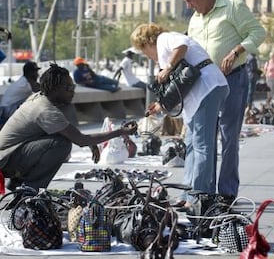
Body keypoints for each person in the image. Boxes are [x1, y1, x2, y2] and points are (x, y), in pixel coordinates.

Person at [179, 0, 265, 202]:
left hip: (232, 79)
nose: (188, 6)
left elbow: (258, 33)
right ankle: (201, 191)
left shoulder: (233, 7)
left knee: (229, 136)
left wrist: (236, 51)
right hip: (203, 85)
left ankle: (226, 192)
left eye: (190, 0)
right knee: (200, 138)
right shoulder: (195, 19)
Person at [130, 23, 229, 206]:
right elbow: (180, 84)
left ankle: (198, 197)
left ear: (146, 42)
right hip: (204, 92)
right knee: (191, 145)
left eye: (144, 52)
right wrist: (160, 105)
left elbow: (182, 45)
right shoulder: (164, 46)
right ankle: (187, 194)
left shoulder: (164, 38)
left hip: (207, 89)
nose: (148, 57)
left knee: (201, 147)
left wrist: (167, 67)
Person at [0, 64, 138, 192]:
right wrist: (120, 131)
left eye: (73, 87)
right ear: (54, 89)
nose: (72, 92)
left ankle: (16, 185)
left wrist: (90, 142)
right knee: (61, 145)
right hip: (5, 160)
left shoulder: (39, 97)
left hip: (8, 155)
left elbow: (69, 131)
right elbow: (80, 140)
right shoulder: (45, 110)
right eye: (68, 88)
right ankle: (30, 191)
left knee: (60, 137)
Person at [0, 61, 41, 127]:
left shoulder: (23, 81)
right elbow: (39, 89)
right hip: (6, 112)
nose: (37, 75)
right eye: (36, 72)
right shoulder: (25, 85)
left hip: (5, 110)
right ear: (30, 72)